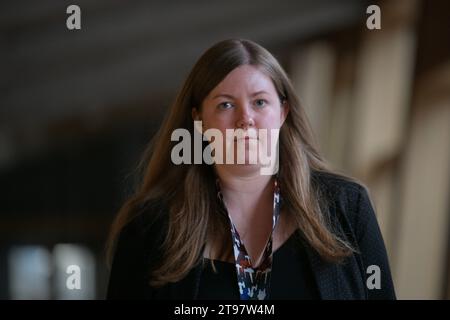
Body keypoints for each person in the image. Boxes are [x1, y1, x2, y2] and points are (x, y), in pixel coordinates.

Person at [106, 39, 396, 300]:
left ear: (283, 112)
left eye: (259, 102)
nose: (246, 120)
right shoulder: (149, 228)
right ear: (199, 120)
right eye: (225, 105)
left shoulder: (346, 206)